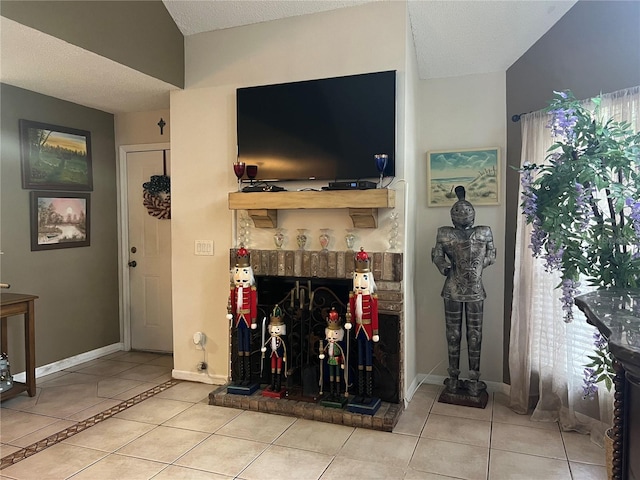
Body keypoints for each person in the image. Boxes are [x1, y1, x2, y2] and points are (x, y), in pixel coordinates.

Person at [432, 186, 496, 397]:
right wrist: (443, 267)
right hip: (455, 287)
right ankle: (454, 378)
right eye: (459, 212)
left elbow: (491, 256)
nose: (463, 216)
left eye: (466, 212)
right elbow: (437, 256)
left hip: (473, 288)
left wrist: (477, 266)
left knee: (474, 335)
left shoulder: (484, 231)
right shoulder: (444, 233)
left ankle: (473, 379)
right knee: (454, 334)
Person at [345, 247, 379, 401]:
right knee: (359, 359)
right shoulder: (354, 296)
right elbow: (351, 309)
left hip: (368, 329)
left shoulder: (372, 298)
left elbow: (374, 315)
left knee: (368, 359)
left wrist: (376, 332)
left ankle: (369, 391)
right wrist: (350, 323)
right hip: (358, 329)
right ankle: (360, 391)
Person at [226, 246, 258, 385]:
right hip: (238, 319)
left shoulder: (251, 289)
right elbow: (231, 301)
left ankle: (249, 376)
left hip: (247, 319)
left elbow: (253, 305)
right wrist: (231, 314)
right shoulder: (234, 288)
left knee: (247, 347)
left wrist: (253, 320)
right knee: (239, 347)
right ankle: (240, 375)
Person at [319, 307, 346, 400]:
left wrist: (342, 362)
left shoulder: (339, 344)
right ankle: (331, 392)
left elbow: (342, 352)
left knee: (337, 376)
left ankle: (338, 392)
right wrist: (322, 353)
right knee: (331, 375)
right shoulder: (328, 343)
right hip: (330, 360)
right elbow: (324, 350)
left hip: (337, 360)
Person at [261, 305, 287, 393]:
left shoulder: (281, 339)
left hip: (279, 355)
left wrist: (284, 355)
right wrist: (264, 349)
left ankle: (278, 385)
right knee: (272, 369)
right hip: (272, 355)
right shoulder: (270, 338)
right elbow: (266, 344)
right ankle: (272, 384)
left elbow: (283, 346)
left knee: (278, 370)